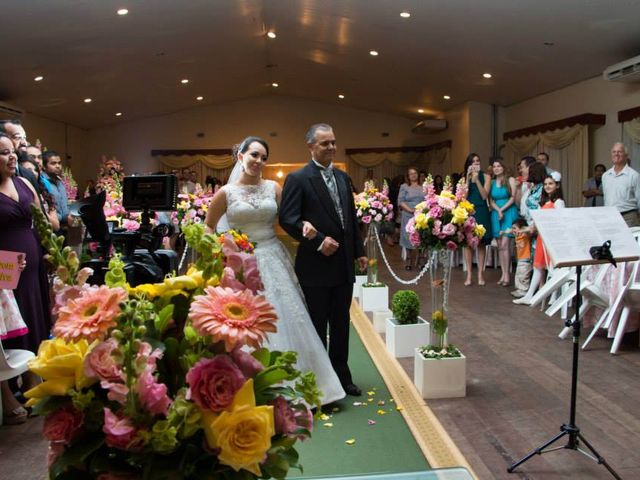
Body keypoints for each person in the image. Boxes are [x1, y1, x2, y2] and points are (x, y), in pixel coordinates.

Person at [205, 135, 347, 404]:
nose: (259, 161)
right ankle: (251, 386)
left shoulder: (274, 188)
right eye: (254, 155)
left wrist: (305, 225)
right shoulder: (226, 193)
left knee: (287, 315)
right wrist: (221, 249)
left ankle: (303, 382)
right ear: (240, 157)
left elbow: (292, 215)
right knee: (248, 320)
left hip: (272, 257)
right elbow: (209, 227)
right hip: (241, 263)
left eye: (263, 157)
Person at [279, 123, 367, 397]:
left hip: (343, 265)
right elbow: (288, 219)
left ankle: (342, 376)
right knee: (317, 325)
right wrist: (318, 242)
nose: (331, 147)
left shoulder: (342, 178)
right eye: (325, 143)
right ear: (311, 146)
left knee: (341, 323)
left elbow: (349, 219)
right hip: (315, 266)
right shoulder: (298, 178)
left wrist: (359, 251)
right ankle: (319, 380)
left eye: (333, 142)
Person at [0, 133, 50, 390]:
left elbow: (41, 222)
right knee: (13, 324)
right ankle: (16, 386)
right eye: (3, 153)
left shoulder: (24, 183)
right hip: (5, 273)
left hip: (34, 267)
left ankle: (36, 376)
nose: (10, 157)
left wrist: (51, 252)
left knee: (35, 318)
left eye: (12, 152)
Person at [514, 174, 565, 305]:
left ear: (557, 185)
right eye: (546, 184)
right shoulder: (543, 202)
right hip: (542, 237)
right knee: (538, 267)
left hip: (551, 238)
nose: (548, 186)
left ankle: (553, 296)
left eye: (551, 184)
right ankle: (530, 295)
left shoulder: (558, 202)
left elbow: (560, 221)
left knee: (553, 269)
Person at [462, 153, 492, 286]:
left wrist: (477, 180)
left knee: (481, 243)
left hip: (481, 210)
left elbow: (485, 195)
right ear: (469, 164)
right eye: (473, 162)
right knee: (468, 244)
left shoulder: (486, 176)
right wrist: (468, 180)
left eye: (478, 161)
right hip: (469, 210)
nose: (476, 164)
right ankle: (469, 273)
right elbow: (463, 196)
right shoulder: (464, 178)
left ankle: (480, 273)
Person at [489, 158, 518, 286]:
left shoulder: (511, 180)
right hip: (496, 213)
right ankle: (503, 273)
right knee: (500, 245)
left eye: (499, 166)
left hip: (509, 211)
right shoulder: (492, 182)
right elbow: (491, 201)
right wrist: (498, 211)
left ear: (504, 167)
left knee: (506, 244)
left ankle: (507, 275)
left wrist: (502, 210)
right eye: (494, 166)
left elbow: (513, 198)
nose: (496, 168)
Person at [602, 142, 640, 227]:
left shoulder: (634, 175)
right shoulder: (605, 176)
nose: (616, 154)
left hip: (629, 217)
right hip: (610, 217)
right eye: (614, 152)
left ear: (626, 155)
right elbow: (606, 199)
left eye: (620, 152)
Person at [398, 167, 424, 270]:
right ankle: (409, 260)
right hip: (408, 215)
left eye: (415, 173)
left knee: (421, 236)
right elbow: (400, 201)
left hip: (421, 216)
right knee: (408, 237)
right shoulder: (404, 187)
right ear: (408, 176)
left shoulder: (422, 187)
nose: (413, 175)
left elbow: (427, 200)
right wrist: (410, 210)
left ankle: (421, 259)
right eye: (411, 174)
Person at [41, 150, 71, 235]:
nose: (58, 166)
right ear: (44, 166)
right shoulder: (42, 183)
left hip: (64, 227)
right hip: (50, 228)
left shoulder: (60, 182)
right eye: (53, 163)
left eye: (59, 163)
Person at [505, 218, 533, 298]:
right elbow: (511, 230)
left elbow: (528, 230)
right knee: (518, 274)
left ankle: (524, 290)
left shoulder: (525, 235)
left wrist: (521, 230)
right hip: (520, 259)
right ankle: (519, 289)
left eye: (515, 228)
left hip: (526, 258)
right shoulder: (517, 234)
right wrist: (504, 232)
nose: (513, 230)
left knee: (523, 275)